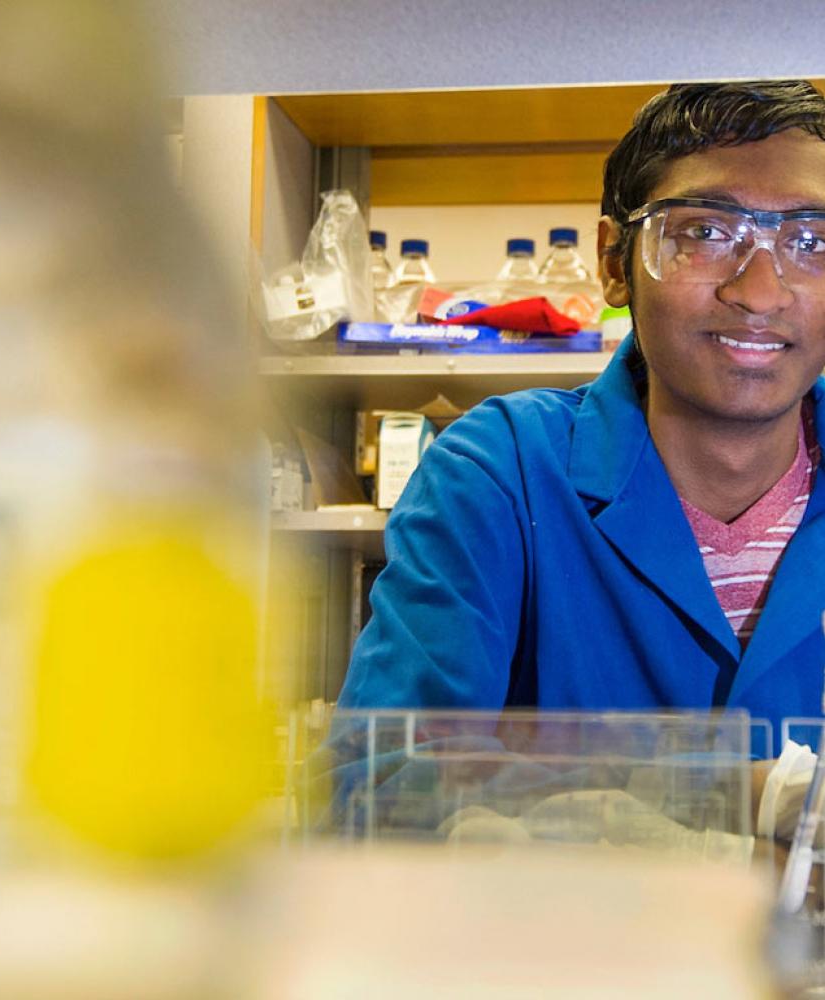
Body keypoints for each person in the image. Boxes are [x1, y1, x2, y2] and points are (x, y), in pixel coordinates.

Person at [339, 80, 825, 747]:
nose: (762, 293)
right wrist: (741, 796)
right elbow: (383, 773)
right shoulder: (498, 474)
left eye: (813, 242)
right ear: (613, 263)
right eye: (706, 233)